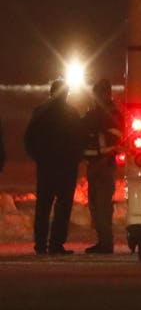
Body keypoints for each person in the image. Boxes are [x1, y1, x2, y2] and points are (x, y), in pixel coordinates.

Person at [24, 79, 84, 255]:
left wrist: (39, 158)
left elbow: (29, 139)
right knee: (62, 207)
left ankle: (40, 243)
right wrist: (75, 159)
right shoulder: (72, 114)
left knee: (43, 206)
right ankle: (56, 243)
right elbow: (79, 140)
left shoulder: (39, 113)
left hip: (46, 167)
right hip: (66, 168)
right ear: (66, 93)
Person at [82, 78, 124, 254]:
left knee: (103, 205)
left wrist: (97, 127)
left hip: (105, 164)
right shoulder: (95, 114)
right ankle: (102, 241)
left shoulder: (112, 114)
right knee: (95, 205)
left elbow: (116, 136)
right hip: (94, 164)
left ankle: (106, 243)